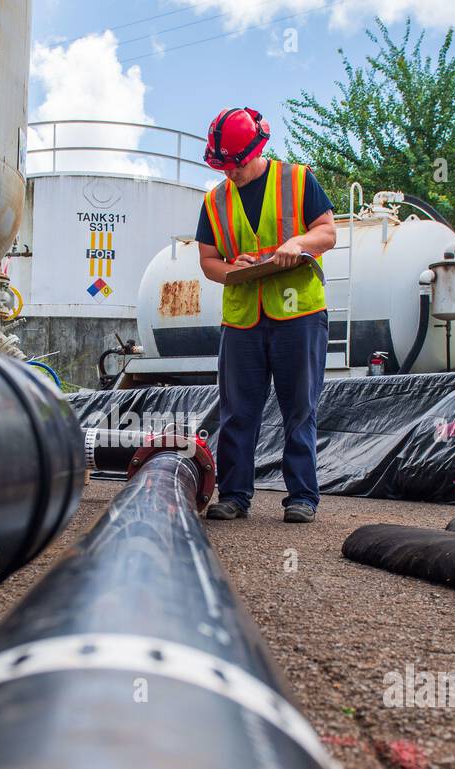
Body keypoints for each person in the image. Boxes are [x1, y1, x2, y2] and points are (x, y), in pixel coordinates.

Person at [195, 107, 336, 522]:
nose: (230, 173)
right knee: (238, 409)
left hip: (299, 314)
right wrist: (231, 271)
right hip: (242, 319)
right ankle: (235, 495)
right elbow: (207, 260)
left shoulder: (297, 179)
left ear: (258, 150)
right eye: (222, 165)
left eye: (235, 164)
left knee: (299, 408)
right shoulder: (214, 200)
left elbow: (326, 232)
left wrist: (299, 243)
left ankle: (301, 498)